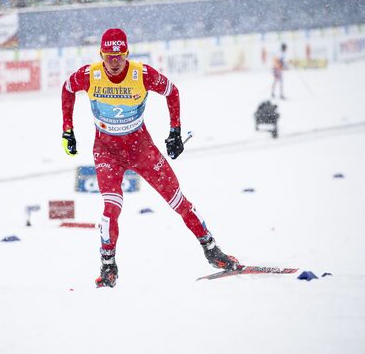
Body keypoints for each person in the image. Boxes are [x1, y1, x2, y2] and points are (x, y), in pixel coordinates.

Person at [61, 28, 239, 288]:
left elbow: (172, 92)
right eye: (109, 56)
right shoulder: (90, 75)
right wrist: (68, 130)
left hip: (140, 147)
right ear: (101, 54)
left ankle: (212, 251)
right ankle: (108, 267)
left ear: (127, 54)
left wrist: (175, 131)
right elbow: (67, 89)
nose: (114, 62)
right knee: (111, 209)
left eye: (119, 56)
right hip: (107, 151)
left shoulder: (141, 74)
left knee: (178, 201)